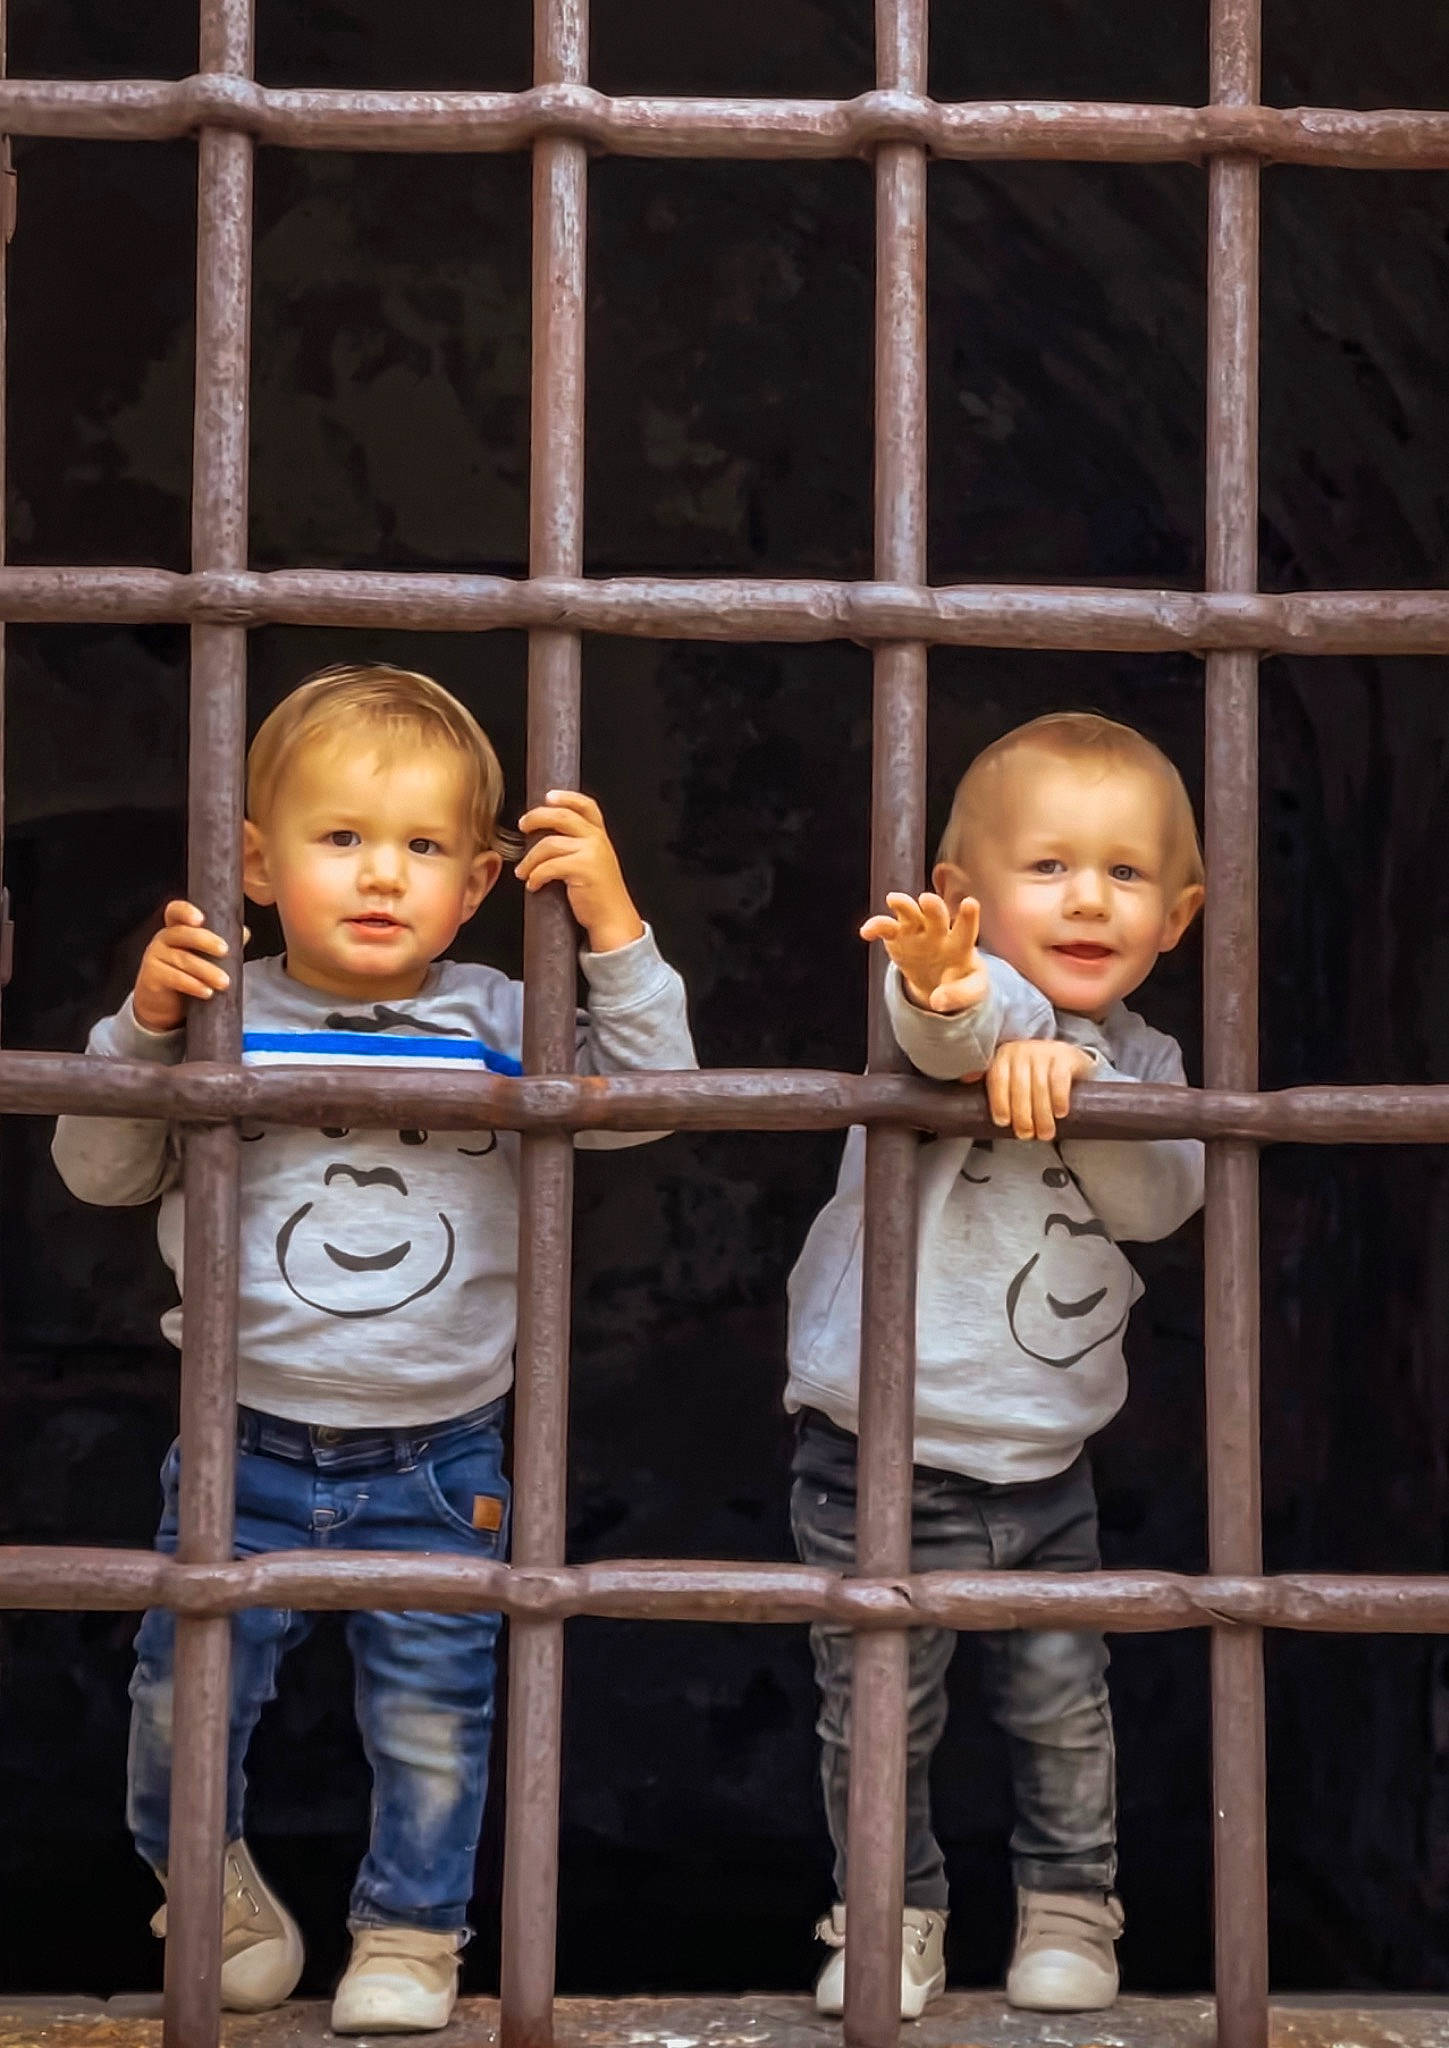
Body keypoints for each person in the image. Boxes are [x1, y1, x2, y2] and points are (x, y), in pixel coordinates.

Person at [52, 663, 696, 2034]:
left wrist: (612, 927)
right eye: (339, 839)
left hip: (445, 1446)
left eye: (419, 849)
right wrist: (145, 1026)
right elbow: (99, 1172)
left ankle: (410, 1936)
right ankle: (207, 1883)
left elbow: (649, 1105)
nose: (379, 875)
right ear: (256, 863)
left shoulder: (499, 1015)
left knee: (432, 1716)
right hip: (244, 1440)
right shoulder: (220, 1005)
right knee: (183, 1700)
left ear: (474, 886)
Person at [786, 711, 1205, 2016]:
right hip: (876, 1452)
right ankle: (886, 1917)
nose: (1087, 898)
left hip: (1043, 1460)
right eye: (1046, 868)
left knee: (1061, 1707)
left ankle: (1072, 1911)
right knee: (875, 1717)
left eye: (1125, 874)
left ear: (1179, 916)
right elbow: (941, 1036)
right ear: (961, 900)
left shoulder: (1154, 1064)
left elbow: (1157, 1199)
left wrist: (1076, 1069)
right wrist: (959, 991)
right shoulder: (935, 995)